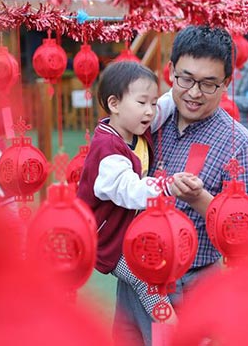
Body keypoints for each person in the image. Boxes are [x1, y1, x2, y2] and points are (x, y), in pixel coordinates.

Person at [114, 25, 248, 344]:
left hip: (190, 285)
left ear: (226, 83)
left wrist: (201, 200)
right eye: (186, 79)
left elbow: (247, 235)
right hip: (133, 275)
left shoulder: (241, 145)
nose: (194, 93)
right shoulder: (149, 121)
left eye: (208, 84)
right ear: (170, 72)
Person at [76, 61, 201, 346]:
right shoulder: (108, 151)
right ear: (114, 104)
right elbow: (129, 190)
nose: (150, 111)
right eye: (143, 102)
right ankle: (175, 330)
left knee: (153, 272)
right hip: (106, 239)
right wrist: (167, 185)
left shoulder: (135, 126)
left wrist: (184, 88)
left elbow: (168, 104)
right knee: (147, 280)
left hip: (127, 231)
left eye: (153, 103)